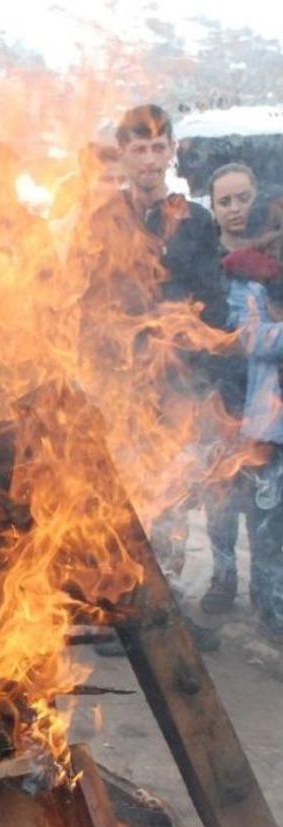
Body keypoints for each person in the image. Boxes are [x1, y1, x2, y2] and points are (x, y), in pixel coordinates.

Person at [78, 105, 237, 653]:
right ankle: (131, 613)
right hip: (123, 383)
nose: (148, 159)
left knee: (171, 500)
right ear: (122, 154)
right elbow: (89, 301)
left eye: (156, 147)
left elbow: (213, 307)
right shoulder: (102, 220)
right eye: (137, 148)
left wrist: (208, 386)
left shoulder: (193, 222)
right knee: (129, 498)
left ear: (172, 151)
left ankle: (160, 617)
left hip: (179, 384)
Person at [201, 163, 283, 620]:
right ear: (213, 208)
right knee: (220, 500)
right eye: (225, 201)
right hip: (220, 392)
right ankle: (223, 577)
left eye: (243, 197)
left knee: (263, 506)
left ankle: (266, 596)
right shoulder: (206, 255)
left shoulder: (269, 258)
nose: (235, 208)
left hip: (258, 399)